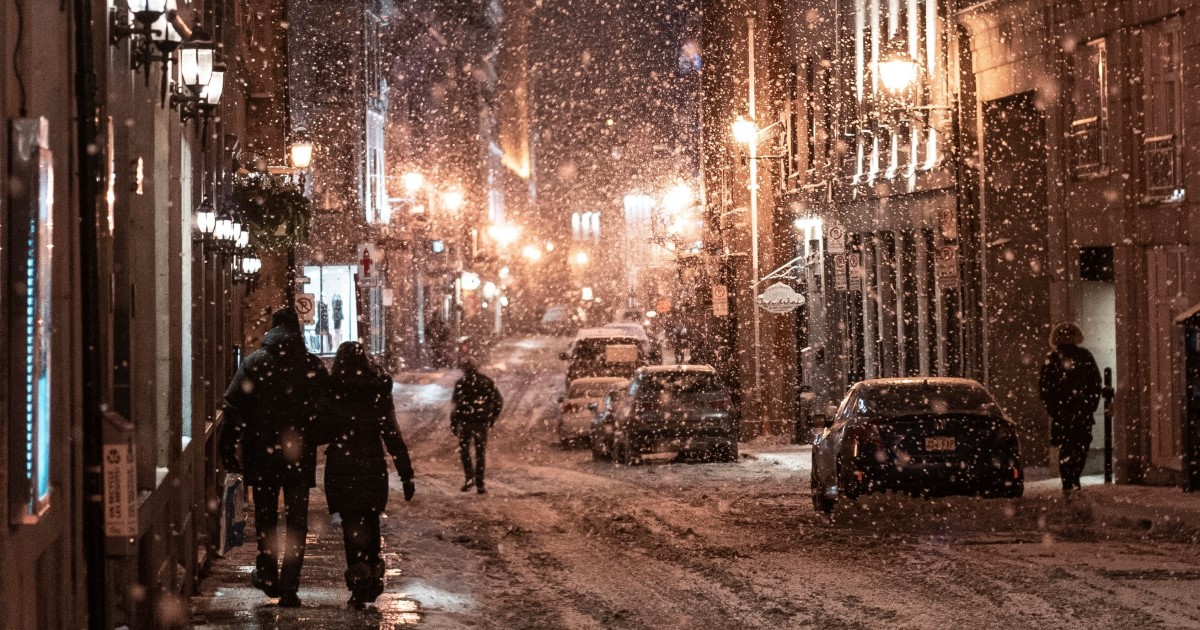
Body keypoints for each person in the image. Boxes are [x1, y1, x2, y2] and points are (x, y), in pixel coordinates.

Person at [220, 307, 329, 607]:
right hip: (298, 455)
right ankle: (290, 586)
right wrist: (314, 436)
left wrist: (230, 446)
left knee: (266, 517)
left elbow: (233, 405)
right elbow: (326, 409)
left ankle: (268, 574)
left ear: (272, 328)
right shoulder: (311, 365)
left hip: (262, 453)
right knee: (296, 522)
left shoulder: (255, 362)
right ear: (297, 330)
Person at [322, 342, 416, 609]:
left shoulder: (334, 390)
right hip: (372, 466)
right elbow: (392, 435)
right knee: (371, 522)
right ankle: (372, 576)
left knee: (352, 526)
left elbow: (321, 429)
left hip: (342, 466)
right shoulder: (377, 390)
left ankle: (359, 581)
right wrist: (406, 475)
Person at [1038, 322, 1102, 496]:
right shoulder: (1053, 359)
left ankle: (1072, 479)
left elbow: (1094, 383)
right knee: (1068, 448)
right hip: (1065, 413)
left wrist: (1089, 404)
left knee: (1081, 448)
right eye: (1064, 334)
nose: (1067, 337)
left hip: (1078, 412)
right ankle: (1069, 482)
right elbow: (1046, 387)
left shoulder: (1084, 356)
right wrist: (1055, 409)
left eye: (1070, 333)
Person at [451, 358, 503, 494]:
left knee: (465, 451)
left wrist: (454, 422)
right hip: (480, 422)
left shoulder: (461, 384)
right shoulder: (486, 382)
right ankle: (480, 482)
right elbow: (498, 401)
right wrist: (492, 417)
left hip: (466, 422)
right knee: (480, 452)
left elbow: (457, 406)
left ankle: (469, 478)